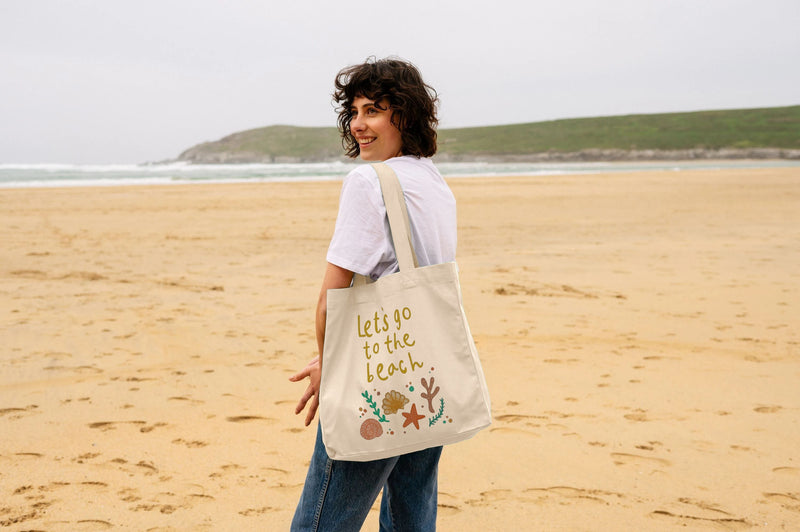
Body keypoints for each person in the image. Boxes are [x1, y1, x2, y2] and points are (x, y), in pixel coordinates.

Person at [289, 57, 456, 531]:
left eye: (374, 111)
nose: (359, 125)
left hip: (377, 373)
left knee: (323, 520)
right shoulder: (433, 180)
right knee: (410, 514)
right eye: (355, 112)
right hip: (429, 369)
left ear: (403, 116)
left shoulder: (368, 182)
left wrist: (329, 363)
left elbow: (331, 300)